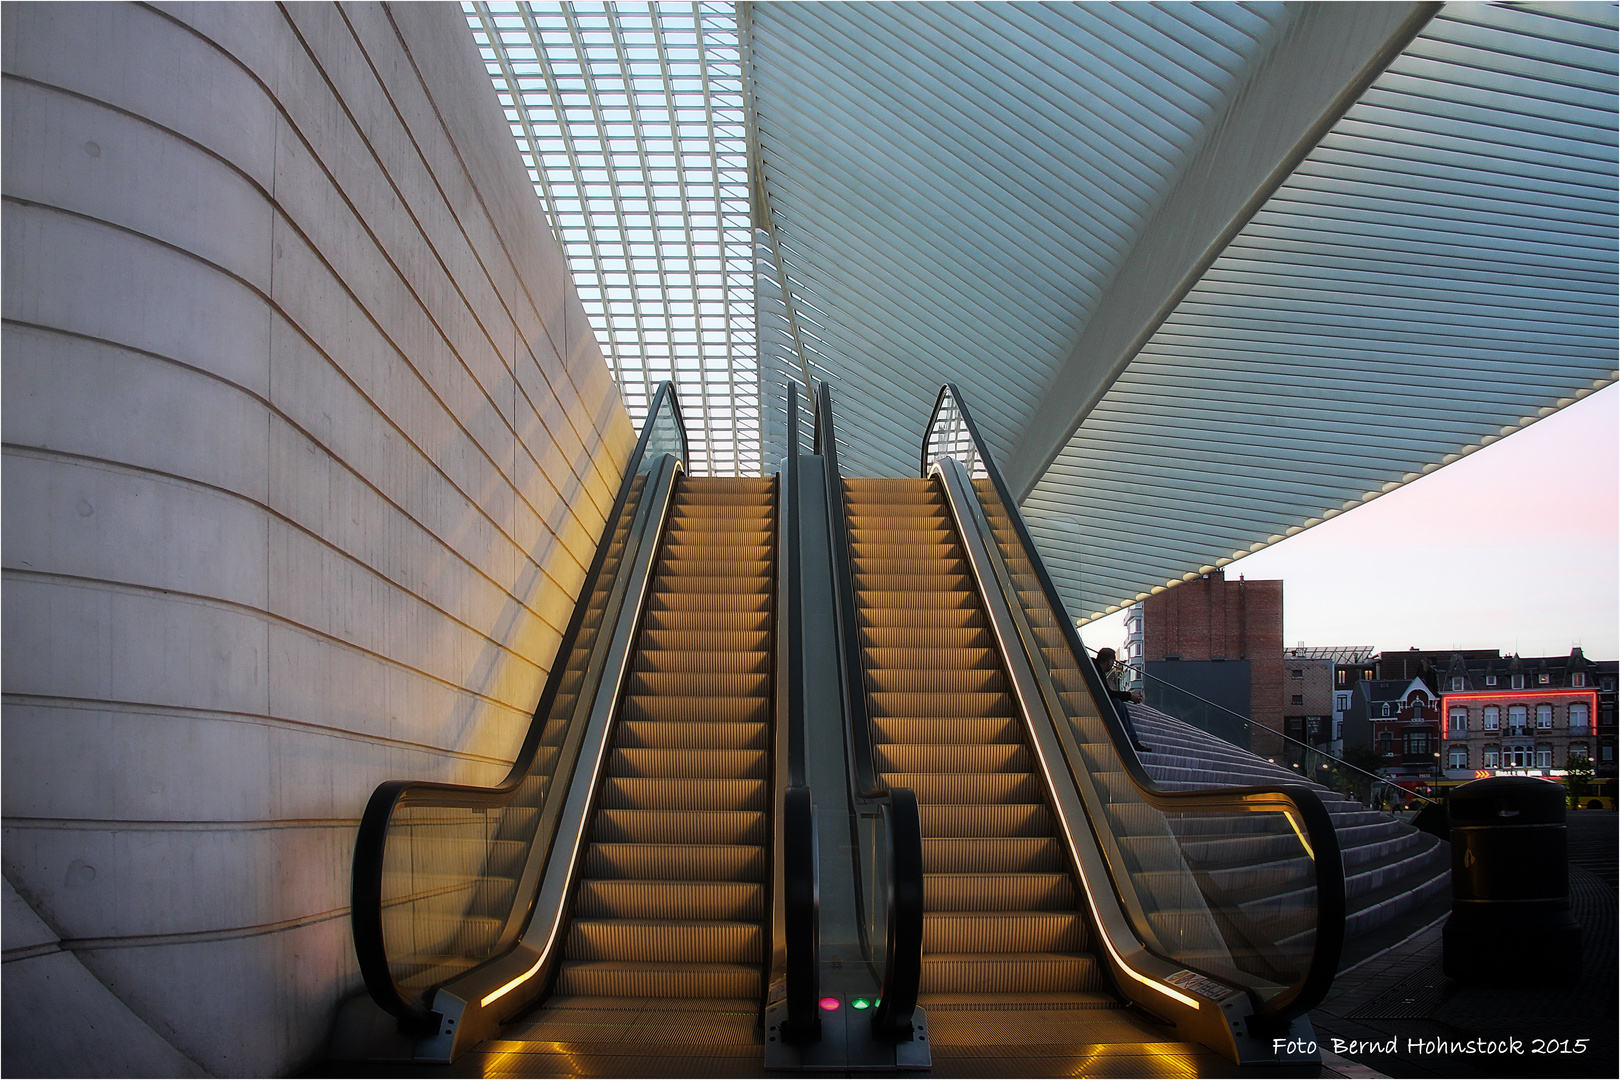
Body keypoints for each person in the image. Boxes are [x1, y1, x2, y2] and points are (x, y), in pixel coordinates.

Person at [1093, 648, 1149, 753]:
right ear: (1110, 662)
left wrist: (1128, 696)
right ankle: (1130, 739)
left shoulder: (1095, 668)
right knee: (1117, 702)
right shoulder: (1096, 670)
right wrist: (1129, 696)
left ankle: (1132, 739)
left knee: (1119, 703)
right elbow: (1107, 693)